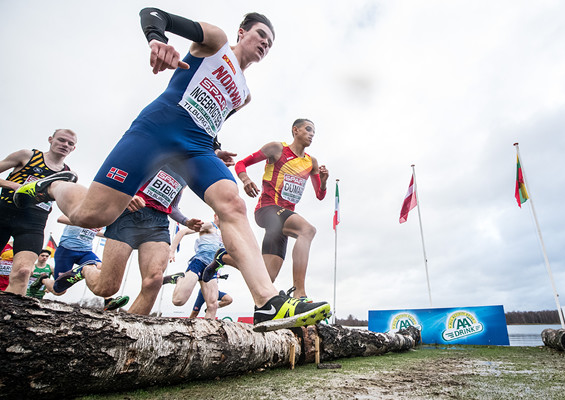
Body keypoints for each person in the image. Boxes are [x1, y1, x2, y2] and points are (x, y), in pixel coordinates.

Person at [14, 8, 329, 331]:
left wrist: (214, 147)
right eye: (261, 34)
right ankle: (53, 185)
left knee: (232, 202)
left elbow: (212, 119)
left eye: (270, 43)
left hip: (196, 147)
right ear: (241, 32)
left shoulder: (244, 95)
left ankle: (267, 302)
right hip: (157, 130)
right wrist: (157, 40)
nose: (265, 43)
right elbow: (153, 14)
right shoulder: (216, 42)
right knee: (93, 215)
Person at [54, 167, 200, 315]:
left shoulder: (186, 176)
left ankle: (127, 327)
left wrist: (186, 221)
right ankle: (86, 269)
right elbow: (115, 176)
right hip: (129, 214)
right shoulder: (155, 157)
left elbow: (172, 206)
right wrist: (127, 195)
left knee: (154, 280)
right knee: (107, 288)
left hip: (158, 222)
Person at [232, 118, 328, 300]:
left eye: (314, 132)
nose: (311, 134)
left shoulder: (311, 162)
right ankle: (299, 293)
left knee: (267, 279)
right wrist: (246, 180)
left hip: (283, 220)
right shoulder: (277, 149)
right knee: (307, 230)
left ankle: (224, 257)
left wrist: (323, 182)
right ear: (295, 130)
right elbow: (241, 164)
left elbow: (320, 195)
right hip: (267, 209)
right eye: (308, 129)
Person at [0, 129, 78, 295]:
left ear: (73, 148)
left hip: (33, 224)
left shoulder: (67, 175)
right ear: (50, 139)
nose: (65, 145)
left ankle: (11, 311)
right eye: (61, 140)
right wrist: (14, 185)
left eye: (70, 143)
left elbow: (68, 203)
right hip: (4, 213)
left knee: (23, 272)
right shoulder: (27, 156)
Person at [34, 216, 129, 311]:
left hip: (86, 252)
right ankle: (43, 279)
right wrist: (89, 223)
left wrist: (113, 235)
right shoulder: (83, 211)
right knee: (59, 290)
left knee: (101, 267)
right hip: (66, 251)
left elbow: (96, 233)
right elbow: (60, 219)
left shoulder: (102, 217)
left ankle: (108, 300)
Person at [164, 216, 229, 319]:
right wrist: (172, 251)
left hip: (211, 269)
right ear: (216, 216)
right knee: (178, 301)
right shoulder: (209, 226)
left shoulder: (225, 235)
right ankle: (179, 279)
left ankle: (209, 328)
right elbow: (183, 232)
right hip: (199, 263)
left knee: (213, 305)